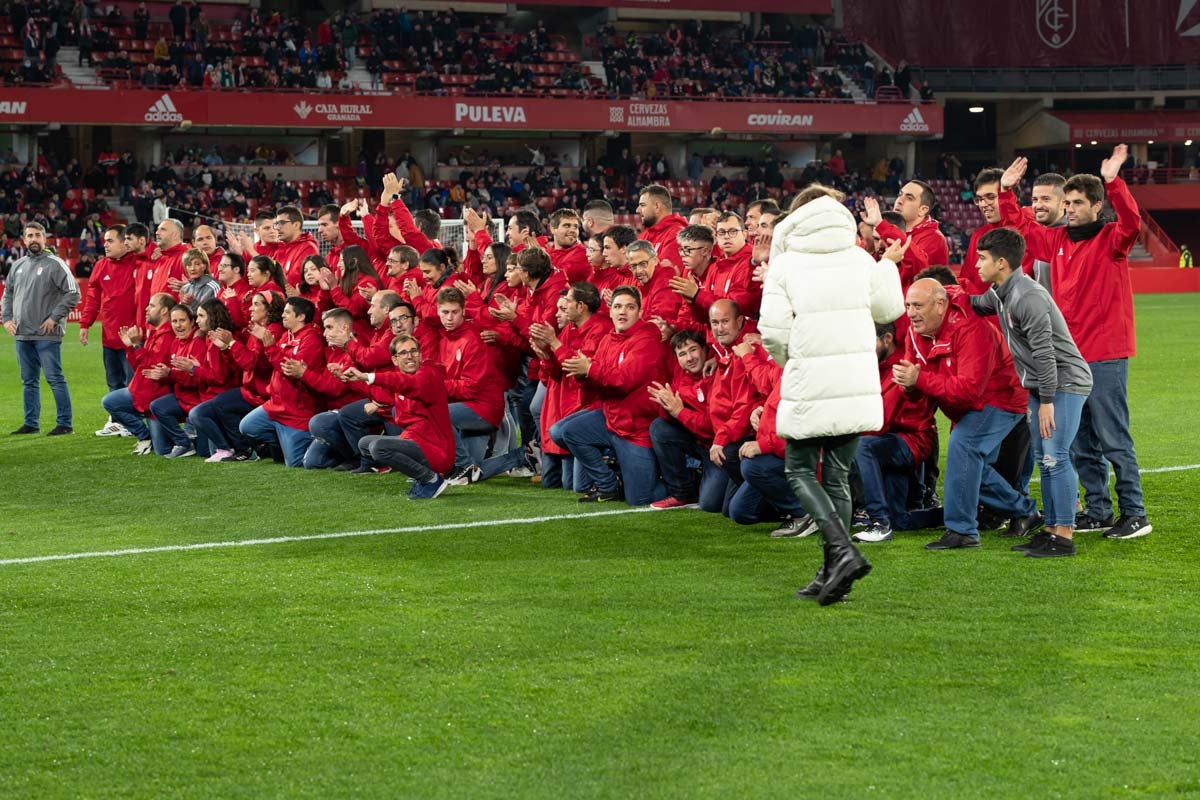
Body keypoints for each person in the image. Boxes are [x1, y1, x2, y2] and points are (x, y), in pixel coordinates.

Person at [759, 185, 904, 606]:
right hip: (856, 379)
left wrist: (792, 358)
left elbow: (771, 331)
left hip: (809, 377)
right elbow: (887, 311)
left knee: (800, 470)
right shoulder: (860, 258)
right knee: (837, 475)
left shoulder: (785, 265)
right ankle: (832, 573)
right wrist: (886, 267)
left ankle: (841, 551)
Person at [998, 146, 1151, 540]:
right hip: (1070, 358)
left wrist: (1115, 180)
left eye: (1077, 203)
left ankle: (1134, 513)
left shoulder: (1112, 240)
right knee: (1080, 440)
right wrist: (1005, 192)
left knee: (1113, 436)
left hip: (1104, 353)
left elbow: (1132, 220)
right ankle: (1099, 509)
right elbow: (1023, 231)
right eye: (1066, 202)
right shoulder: (1058, 241)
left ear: (1097, 206)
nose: (1069, 209)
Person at [971, 227, 1093, 557]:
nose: (976, 265)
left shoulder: (1027, 296)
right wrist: (944, 295)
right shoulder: (1001, 292)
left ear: (1001, 263)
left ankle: (1064, 536)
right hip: (1043, 385)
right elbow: (977, 305)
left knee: (1055, 456)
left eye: (982, 259)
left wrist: (1047, 402)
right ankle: (1051, 529)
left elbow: (1045, 354)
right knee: (1044, 458)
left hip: (1063, 383)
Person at [895, 278, 1042, 549]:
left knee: (964, 447)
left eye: (917, 305)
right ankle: (1024, 511)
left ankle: (962, 530)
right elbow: (917, 385)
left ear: (940, 305)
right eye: (908, 306)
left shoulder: (971, 328)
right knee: (972, 466)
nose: (911, 313)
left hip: (1003, 396)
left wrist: (920, 380)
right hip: (968, 403)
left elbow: (970, 390)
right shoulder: (917, 332)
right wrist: (909, 385)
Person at [551, 286, 668, 505]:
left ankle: (687, 482)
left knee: (640, 499)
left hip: (637, 428)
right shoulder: (608, 339)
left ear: (640, 312)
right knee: (561, 432)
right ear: (610, 312)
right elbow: (596, 380)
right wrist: (582, 374)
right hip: (611, 419)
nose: (623, 312)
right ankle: (608, 485)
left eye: (630, 307)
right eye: (617, 307)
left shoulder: (647, 340)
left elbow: (623, 381)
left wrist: (589, 369)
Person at [850, 318, 940, 543]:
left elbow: (880, 421)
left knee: (862, 447)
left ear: (887, 339)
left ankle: (878, 522)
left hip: (911, 442)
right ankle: (955, 512)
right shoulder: (879, 366)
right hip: (894, 442)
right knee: (899, 520)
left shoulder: (900, 367)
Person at [343, 335, 455, 499]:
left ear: (420, 355)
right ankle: (422, 478)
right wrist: (353, 380)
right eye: (403, 353)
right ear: (395, 360)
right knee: (365, 443)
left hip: (437, 449)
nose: (409, 356)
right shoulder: (400, 378)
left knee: (378, 447)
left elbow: (408, 384)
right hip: (417, 441)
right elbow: (393, 385)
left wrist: (367, 376)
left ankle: (431, 480)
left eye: (413, 351)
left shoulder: (429, 374)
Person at [2, 222, 80, 435]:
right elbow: (7, 293)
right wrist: (6, 318)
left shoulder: (55, 264)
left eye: (38, 235)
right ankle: (31, 423)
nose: (34, 239)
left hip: (47, 334)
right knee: (28, 381)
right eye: (30, 235)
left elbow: (73, 292)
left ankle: (65, 423)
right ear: (24, 240)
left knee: (54, 378)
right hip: (22, 334)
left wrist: (55, 317)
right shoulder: (18, 265)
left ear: (45, 238)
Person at [190, 290, 285, 463]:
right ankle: (247, 447)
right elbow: (242, 364)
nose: (250, 308)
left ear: (269, 309)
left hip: (262, 391)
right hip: (250, 388)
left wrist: (231, 344)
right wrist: (226, 348)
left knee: (217, 405)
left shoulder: (272, 331)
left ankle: (246, 449)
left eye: (256, 304)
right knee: (203, 412)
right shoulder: (256, 330)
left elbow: (252, 364)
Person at [238, 297, 326, 467]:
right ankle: (282, 439)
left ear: (300, 317)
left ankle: (319, 444)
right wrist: (263, 342)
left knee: (295, 464)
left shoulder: (311, 340)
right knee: (247, 427)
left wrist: (270, 346)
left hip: (297, 411)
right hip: (276, 404)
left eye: (287, 312)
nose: (282, 315)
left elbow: (290, 371)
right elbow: (267, 363)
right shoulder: (286, 336)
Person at [647, 329, 726, 511]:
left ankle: (710, 478)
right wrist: (667, 406)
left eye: (693, 350)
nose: (689, 358)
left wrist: (679, 411)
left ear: (705, 350)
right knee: (659, 428)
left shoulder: (718, 373)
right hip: (701, 443)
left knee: (710, 504)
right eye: (682, 354)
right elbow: (672, 418)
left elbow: (713, 426)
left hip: (721, 446)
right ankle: (682, 492)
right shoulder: (682, 377)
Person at [79, 224, 137, 435]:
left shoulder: (139, 263)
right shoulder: (101, 265)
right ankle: (117, 421)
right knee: (114, 382)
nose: (105, 245)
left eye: (110, 241)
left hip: (132, 338)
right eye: (105, 241)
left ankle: (132, 423)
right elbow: (93, 299)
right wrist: (85, 324)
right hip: (109, 336)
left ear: (125, 242)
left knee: (133, 384)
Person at [102, 293, 177, 455]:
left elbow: (152, 369)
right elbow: (140, 367)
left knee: (163, 450)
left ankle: (183, 439)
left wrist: (137, 345)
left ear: (164, 311)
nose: (146, 309)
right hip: (143, 393)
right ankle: (145, 436)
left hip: (154, 397)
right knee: (109, 401)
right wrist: (130, 347)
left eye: (151, 306)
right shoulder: (156, 333)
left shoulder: (167, 336)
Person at [635, 184, 687, 268]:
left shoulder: (677, 234)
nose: (637, 210)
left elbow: (666, 275)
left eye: (642, 205)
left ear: (657, 206)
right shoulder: (644, 235)